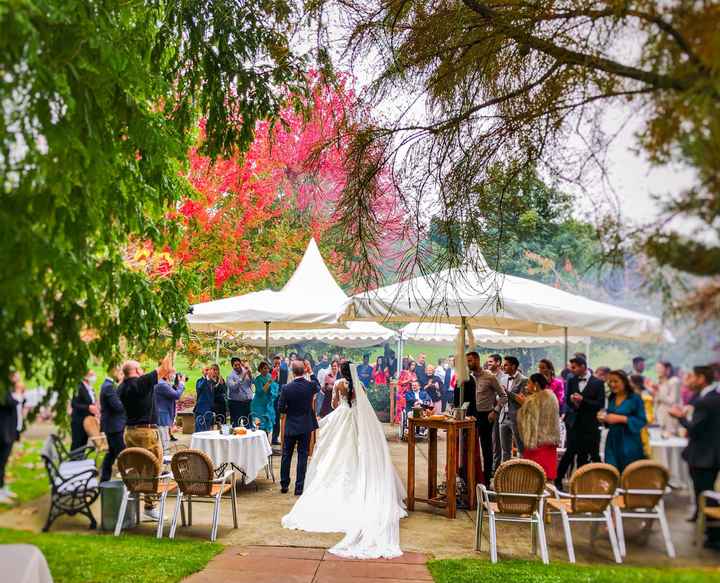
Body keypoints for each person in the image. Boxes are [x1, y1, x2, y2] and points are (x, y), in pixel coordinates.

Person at [282, 361, 407, 559]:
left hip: (343, 418)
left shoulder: (339, 384)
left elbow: (333, 404)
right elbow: (363, 406)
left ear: (341, 372)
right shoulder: (360, 386)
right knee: (359, 453)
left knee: (332, 454)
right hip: (356, 420)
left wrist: (340, 401)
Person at [669, 365, 720, 548]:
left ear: (701, 378)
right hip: (711, 454)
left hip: (703, 455)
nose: (689, 380)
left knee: (704, 492)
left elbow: (694, 429)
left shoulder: (704, 401)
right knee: (705, 491)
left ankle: (712, 535)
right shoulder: (710, 397)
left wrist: (679, 417)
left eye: (693, 376)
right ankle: (705, 524)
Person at [117, 356, 172, 520]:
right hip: (145, 433)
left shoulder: (121, 388)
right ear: (135, 371)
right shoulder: (140, 382)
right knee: (152, 467)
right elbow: (165, 369)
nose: (142, 370)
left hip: (129, 432)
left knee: (137, 466)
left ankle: (135, 501)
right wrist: (174, 344)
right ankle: (150, 505)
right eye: (140, 368)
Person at [455, 351, 507, 486]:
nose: (468, 363)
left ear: (477, 360)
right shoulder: (468, 378)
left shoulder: (489, 376)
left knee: (486, 447)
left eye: (470, 361)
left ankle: (487, 478)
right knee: (470, 447)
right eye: (467, 361)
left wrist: (495, 411)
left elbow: (503, 396)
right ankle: (471, 476)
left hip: (486, 415)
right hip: (471, 416)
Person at [555, 356, 605, 490]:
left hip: (590, 424)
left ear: (583, 366)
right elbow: (567, 400)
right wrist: (573, 401)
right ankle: (558, 480)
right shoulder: (571, 380)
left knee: (587, 454)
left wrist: (583, 400)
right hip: (573, 423)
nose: (571, 370)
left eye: (574, 367)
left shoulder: (598, 383)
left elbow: (600, 404)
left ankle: (583, 482)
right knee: (570, 452)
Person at [599, 370, 647, 472]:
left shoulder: (635, 399)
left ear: (625, 382)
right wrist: (604, 418)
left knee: (630, 473)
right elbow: (609, 421)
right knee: (612, 471)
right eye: (610, 382)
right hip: (612, 441)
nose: (612, 384)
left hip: (629, 441)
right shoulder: (612, 397)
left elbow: (642, 421)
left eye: (616, 381)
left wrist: (622, 419)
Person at [517, 374, 561, 480]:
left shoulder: (534, 400)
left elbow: (527, 420)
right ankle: (548, 495)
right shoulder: (552, 396)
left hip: (536, 442)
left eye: (529, 383)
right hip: (550, 441)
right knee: (548, 474)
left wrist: (523, 404)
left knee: (534, 476)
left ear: (536, 384)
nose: (527, 386)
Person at [498, 356, 528, 462]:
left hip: (517, 418)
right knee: (505, 450)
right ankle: (504, 474)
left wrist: (507, 392)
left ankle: (522, 473)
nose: (503, 367)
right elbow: (501, 397)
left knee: (521, 449)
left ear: (513, 366)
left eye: (506, 365)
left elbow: (522, 400)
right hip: (503, 417)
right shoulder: (503, 378)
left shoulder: (524, 380)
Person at [99, 366, 125, 483]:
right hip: (114, 426)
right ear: (113, 371)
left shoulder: (108, 385)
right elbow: (118, 406)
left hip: (113, 425)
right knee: (122, 453)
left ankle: (104, 478)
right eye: (119, 371)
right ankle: (127, 478)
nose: (120, 374)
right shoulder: (109, 387)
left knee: (112, 453)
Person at [0, 373, 22, 503]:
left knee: (3, 462)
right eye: (14, 375)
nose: (17, 378)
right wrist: (18, 393)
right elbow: (10, 403)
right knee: (1, 462)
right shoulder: (3, 390)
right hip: (4, 433)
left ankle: (2, 487)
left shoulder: (8, 390)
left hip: (10, 432)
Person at [154, 369, 185, 453]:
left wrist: (177, 384)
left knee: (165, 439)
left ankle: (164, 458)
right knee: (164, 440)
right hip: (162, 416)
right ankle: (164, 459)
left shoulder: (164, 383)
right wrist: (181, 384)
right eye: (173, 373)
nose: (174, 376)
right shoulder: (162, 385)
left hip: (163, 414)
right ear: (167, 374)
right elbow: (176, 395)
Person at [486, 354, 506, 473]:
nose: (488, 364)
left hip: (499, 411)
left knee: (497, 442)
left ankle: (496, 467)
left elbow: (503, 395)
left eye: (491, 362)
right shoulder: (487, 375)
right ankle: (491, 466)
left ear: (498, 363)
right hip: (487, 411)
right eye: (488, 362)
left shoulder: (503, 377)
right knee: (490, 441)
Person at [70, 371, 98, 455]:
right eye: (92, 375)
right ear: (85, 376)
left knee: (83, 443)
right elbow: (74, 404)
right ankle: (73, 463)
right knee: (77, 444)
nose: (94, 377)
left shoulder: (90, 388)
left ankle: (80, 460)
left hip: (87, 422)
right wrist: (88, 407)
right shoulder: (79, 387)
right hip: (79, 421)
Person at [650, 361, 681, 436]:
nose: (657, 370)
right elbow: (657, 402)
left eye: (660, 368)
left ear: (668, 369)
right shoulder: (660, 382)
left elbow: (672, 401)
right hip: (660, 419)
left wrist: (658, 392)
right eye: (656, 368)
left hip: (670, 420)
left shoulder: (674, 381)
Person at [250, 361, 279, 434]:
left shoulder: (269, 376)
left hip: (267, 405)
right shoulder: (258, 379)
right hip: (258, 405)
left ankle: (266, 443)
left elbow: (274, 388)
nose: (266, 370)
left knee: (268, 426)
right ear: (260, 369)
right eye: (264, 368)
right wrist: (269, 382)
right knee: (260, 426)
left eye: (267, 368)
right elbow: (260, 392)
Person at [227, 357, 254, 427]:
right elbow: (233, 387)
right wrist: (242, 377)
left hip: (247, 402)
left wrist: (250, 374)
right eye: (235, 365)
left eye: (239, 364)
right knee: (235, 425)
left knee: (249, 424)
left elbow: (251, 383)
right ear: (232, 366)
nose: (238, 366)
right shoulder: (230, 376)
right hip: (235, 403)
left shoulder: (246, 371)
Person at [194, 367, 215, 431]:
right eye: (206, 370)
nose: (208, 371)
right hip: (201, 409)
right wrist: (206, 378)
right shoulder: (200, 381)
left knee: (207, 429)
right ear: (202, 372)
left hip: (209, 409)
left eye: (209, 370)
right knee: (200, 429)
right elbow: (199, 388)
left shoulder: (212, 382)